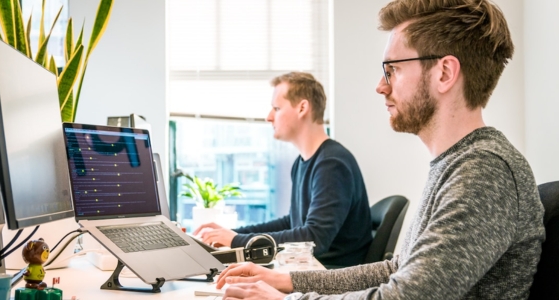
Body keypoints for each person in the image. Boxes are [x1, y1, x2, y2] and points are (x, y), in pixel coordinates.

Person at [214, 0, 546, 299]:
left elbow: (406, 297)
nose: (381, 85)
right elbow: (397, 269)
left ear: (444, 73)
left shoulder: (483, 171)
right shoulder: (457, 164)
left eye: (393, 69)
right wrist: (290, 282)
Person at [194, 72, 373, 267]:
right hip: (310, 269)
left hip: (331, 277)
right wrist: (234, 234)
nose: (268, 117)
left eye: (277, 108)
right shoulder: (303, 162)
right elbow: (293, 223)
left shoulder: (332, 164)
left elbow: (313, 240)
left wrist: (236, 241)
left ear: (302, 108)